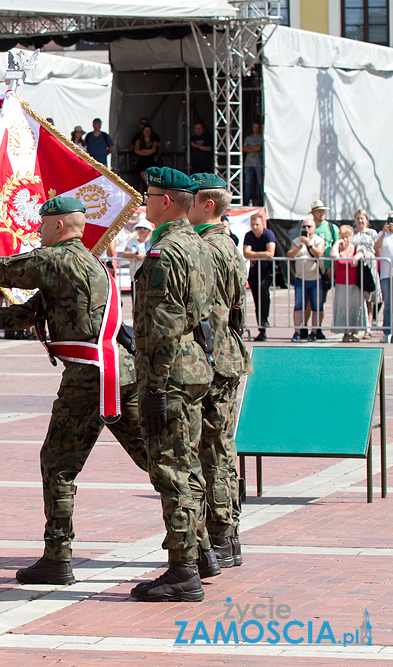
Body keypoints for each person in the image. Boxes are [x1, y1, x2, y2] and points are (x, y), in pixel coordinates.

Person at [0, 200, 148, 585]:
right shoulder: (90, 262)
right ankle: (202, 542)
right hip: (121, 373)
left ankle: (57, 556)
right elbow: (29, 313)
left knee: (57, 464)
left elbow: (1, 270)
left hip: (89, 377)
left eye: (42, 223)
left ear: (58, 225)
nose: (37, 229)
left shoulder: (56, 260)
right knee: (153, 457)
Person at [131, 167, 215, 603]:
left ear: (166, 201)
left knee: (171, 470)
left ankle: (183, 570)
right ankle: (200, 553)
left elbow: (163, 326)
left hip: (172, 372)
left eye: (149, 195)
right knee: (190, 465)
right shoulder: (198, 245)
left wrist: (155, 387)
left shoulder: (164, 252)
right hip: (194, 367)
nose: (144, 201)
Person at [188, 173, 253, 571]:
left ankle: (222, 535)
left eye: (192, 201)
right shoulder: (227, 242)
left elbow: (206, 309)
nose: (187, 208)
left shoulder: (209, 247)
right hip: (227, 351)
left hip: (213, 355)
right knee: (220, 449)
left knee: (212, 450)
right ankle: (228, 537)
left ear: (206, 205)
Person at [287, 217, 326, 342]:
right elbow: (290, 254)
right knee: (298, 306)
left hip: (315, 279)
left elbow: (319, 253)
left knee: (316, 307)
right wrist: (300, 245)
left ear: (314, 228)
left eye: (309, 226)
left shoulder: (318, 240)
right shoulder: (296, 241)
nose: (306, 229)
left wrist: (309, 243)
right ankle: (297, 332)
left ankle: (314, 332)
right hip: (300, 279)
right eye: (304, 227)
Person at [306, 199, 337, 340]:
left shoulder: (331, 228)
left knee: (320, 301)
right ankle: (304, 327)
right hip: (309, 267)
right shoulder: (309, 226)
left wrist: (332, 267)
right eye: (319, 211)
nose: (322, 213)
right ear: (313, 213)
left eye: (323, 210)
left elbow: (336, 247)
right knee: (307, 301)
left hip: (324, 269)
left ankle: (317, 327)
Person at [242, 213, 276, 342]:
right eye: (252, 225)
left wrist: (255, 256)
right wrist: (260, 255)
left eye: (257, 224)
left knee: (263, 291)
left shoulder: (268, 234)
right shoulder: (249, 235)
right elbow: (246, 253)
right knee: (256, 299)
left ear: (262, 224)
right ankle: (261, 328)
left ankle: (264, 320)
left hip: (267, 270)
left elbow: (270, 253)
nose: (255, 227)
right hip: (255, 271)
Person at [331, 225, 365, 341]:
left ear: (352, 237)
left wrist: (356, 256)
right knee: (342, 307)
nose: (345, 239)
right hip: (341, 283)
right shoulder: (338, 248)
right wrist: (337, 243)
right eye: (343, 236)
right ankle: (345, 332)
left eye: (347, 236)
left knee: (355, 307)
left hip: (354, 283)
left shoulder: (356, 246)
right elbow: (333, 255)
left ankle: (355, 332)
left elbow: (361, 253)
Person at [352, 209, 381, 338]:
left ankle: (368, 328)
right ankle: (355, 327)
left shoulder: (372, 233)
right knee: (357, 299)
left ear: (366, 220)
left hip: (370, 268)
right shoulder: (353, 234)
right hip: (356, 268)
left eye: (362, 218)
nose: (360, 220)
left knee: (369, 299)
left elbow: (377, 249)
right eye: (358, 218)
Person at [374, 215, 393, 342]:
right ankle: (387, 331)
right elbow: (376, 248)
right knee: (388, 304)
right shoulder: (382, 234)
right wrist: (384, 234)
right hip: (386, 274)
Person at [242, 121, 264, 206]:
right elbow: (244, 148)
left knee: (260, 183)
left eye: (257, 128)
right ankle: (246, 201)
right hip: (248, 163)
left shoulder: (261, 138)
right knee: (248, 182)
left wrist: (250, 147)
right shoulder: (248, 138)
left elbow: (259, 148)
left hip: (258, 163)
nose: (256, 129)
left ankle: (262, 201)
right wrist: (254, 148)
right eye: (254, 127)